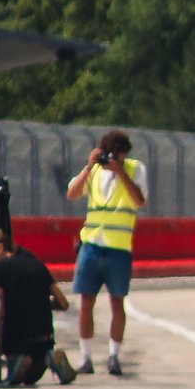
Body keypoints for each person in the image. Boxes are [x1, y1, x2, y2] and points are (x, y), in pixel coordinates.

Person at [65, 130, 144, 376]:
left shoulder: (134, 169)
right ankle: (86, 356)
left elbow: (139, 200)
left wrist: (120, 171)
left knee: (116, 301)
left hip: (118, 247)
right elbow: (72, 193)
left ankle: (113, 355)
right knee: (86, 301)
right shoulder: (95, 170)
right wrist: (88, 167)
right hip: (91, 244)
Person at [0, 226, 73, 386]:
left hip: (17, 342)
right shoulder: (37, 264)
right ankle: (50, 357)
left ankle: (18, 361)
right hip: (45, 340)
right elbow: (63, 303)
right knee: (31, 377)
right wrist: (40, 303)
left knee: (22, 376)